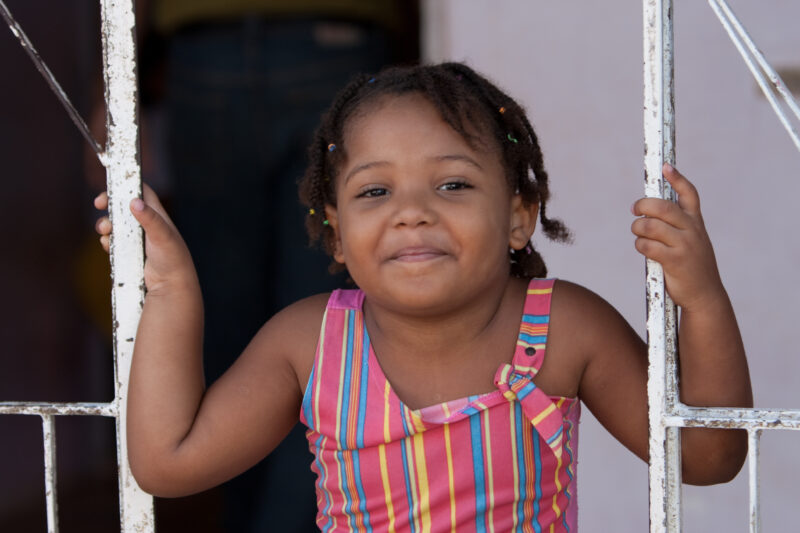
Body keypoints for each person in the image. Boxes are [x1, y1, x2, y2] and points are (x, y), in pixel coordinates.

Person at [93, 62, 752, 531]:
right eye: (375, 192)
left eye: (453, 185)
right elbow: (167, 461)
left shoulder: (562, 327)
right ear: (338, 236)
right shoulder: (310, 341)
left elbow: (709, 455)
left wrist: (703, 298)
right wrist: (174, 290)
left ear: (519, 217)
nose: (411, 212)